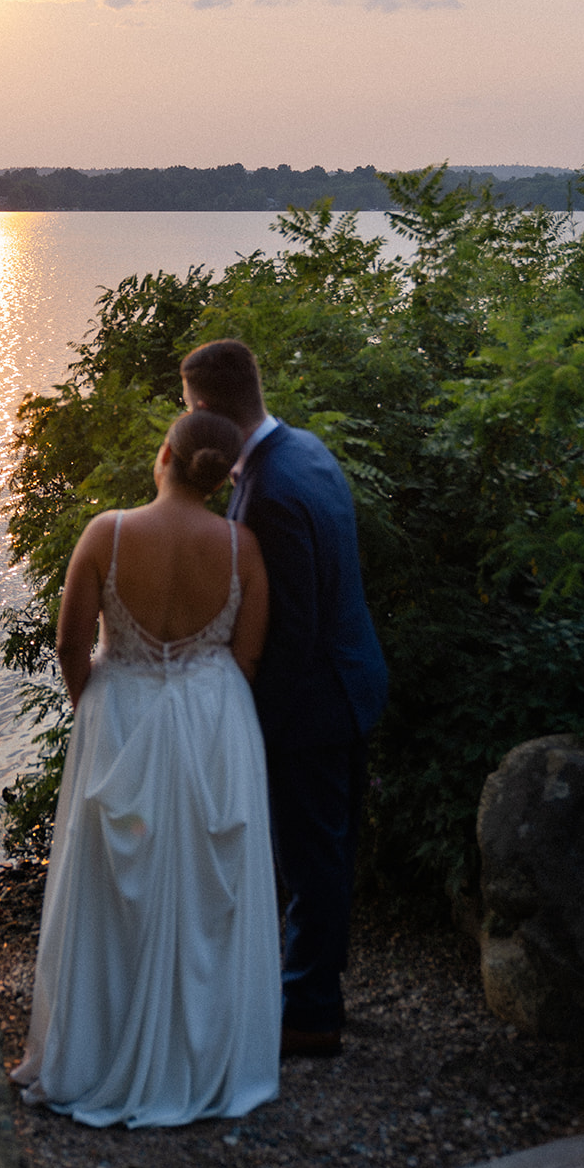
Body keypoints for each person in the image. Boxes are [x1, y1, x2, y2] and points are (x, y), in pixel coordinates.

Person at [10, 410, 281, 1127]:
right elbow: (246, 656)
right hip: (213, 719)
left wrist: (94, 710)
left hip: (121, 713)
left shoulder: (108, 534)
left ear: (163, 456)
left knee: (107, 887)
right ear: (223, 476)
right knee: (204, 889)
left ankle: (95, 1053)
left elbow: (70, 644)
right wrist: (207, 713)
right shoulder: (240, 547)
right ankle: (204, 1062)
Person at [180, 339, 388, 1058]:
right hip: (354, 676)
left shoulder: (266, 493)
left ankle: (308, 1014)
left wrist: (247, 719)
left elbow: (290, 630)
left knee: (309, 857)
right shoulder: (305, 448)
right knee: (329, 846)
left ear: (202, 408)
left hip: (314, 699)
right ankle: (319, 984)